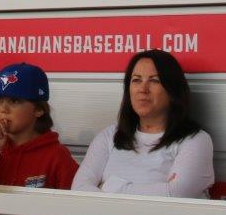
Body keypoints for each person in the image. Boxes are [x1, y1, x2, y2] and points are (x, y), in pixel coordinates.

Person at [72, 50, 214, 198]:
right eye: (136, 80)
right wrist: (158, 190)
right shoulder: (108, 136)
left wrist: (110, 186)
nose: (143, 89)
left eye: (154, 80)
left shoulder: (196, 140)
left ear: (173, 90)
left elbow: (175, 195)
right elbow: (79, 189)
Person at [0, 63, 79, 189]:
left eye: (14, 101)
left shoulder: (57, 156)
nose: (3, 109)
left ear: (39, 109)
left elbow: (78, 202)